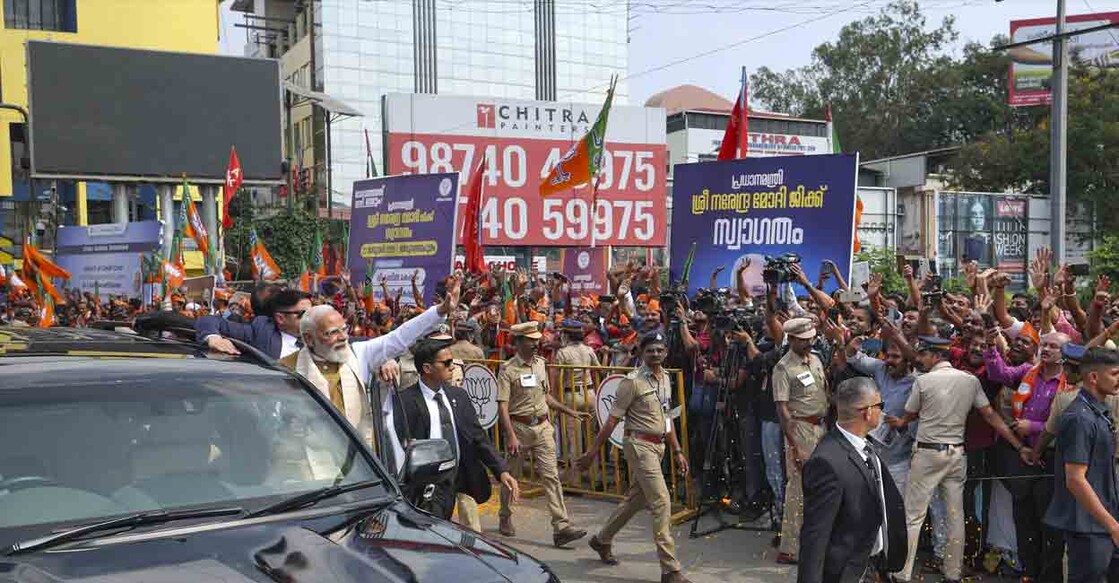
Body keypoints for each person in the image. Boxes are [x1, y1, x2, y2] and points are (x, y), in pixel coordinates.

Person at [885, 336, 1033, 583]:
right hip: (957, 454)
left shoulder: (923, 381)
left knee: (913, 516)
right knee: (956, 516)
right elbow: (990, 415)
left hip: (927, 453)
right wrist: (1019, 446)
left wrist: (900, 422)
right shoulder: (970, 381)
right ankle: (952, 573)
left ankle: (901, 572)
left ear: (934, 356)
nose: (919, 359)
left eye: (922, 354)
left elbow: (910, 413)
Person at [280, 276, 460, 451]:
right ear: (309, 339)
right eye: (332, 333)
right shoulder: (286, 368)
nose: (343, 337)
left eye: (344, 329)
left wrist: (440, 311)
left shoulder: (357, 354)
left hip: (357, 464)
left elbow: (399, 338)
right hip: (307, 465)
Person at [577, 331, 692, 583]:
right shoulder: (632, 382)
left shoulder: (666, 379)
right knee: (661, 501)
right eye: (650, 350)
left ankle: (601, 539)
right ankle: (670, 569)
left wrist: (678, 450)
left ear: (666, 353)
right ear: (640, 352)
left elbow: (668, 417)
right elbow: (611, 421)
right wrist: (592, 452)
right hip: (639, 446)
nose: (656, 354)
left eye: (660, 350)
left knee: (636, 500)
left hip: (659, 446)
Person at [390, 338, 519, 520]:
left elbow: (477, 437)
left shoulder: (459, 396)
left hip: (454, 480)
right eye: (447, 363)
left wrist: (501, 470)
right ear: (427, 368)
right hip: (423, 486)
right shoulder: (405, 402)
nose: (453, 367)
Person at [797, 377, 907, 583]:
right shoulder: (826, 462)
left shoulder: (866, 447)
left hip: (873, 566)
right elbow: (815, 535)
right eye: (879, 406)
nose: (882, 412)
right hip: (848, 573)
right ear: (867, 411)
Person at [495, 320, 588, 547]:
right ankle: (505, 516)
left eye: (537, 340)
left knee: (551, 477)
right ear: (518, 342)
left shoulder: (541, 364)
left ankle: (561, 526)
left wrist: (568, 411)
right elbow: (502, 407)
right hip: (519, 428)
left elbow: (546, 396)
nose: (536, 343)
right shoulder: (508, 369)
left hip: (544, 427)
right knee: (511, 477)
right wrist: (512, 436)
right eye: (530, 340)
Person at [1043, 348, 1119, 583]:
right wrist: (1112, 525)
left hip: (1102, 519)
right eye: (1115, 374)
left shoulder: (1099, 411)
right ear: (1093, 377)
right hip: (1087, 525)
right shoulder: (1079, 418)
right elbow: (1075, 479)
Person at [772, 317, 829, 565]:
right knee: (797, 487)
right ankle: (790, 548)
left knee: (819, 486)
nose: (809, 343)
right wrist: (794, 447)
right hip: (800, 428)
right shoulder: (783, 368)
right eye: (803, 340)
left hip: (821, 427)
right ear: (791, 339)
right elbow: (782, 410)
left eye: (811, 339)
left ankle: (814, 540)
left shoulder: (815, 359)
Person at [197, 287, 309, 359]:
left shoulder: (320, 335)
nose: (312, 318)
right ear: (281, 318)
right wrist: (214, 338)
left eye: (313, 312)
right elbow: (209, 320)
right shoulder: (261, 332)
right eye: (304, 314)